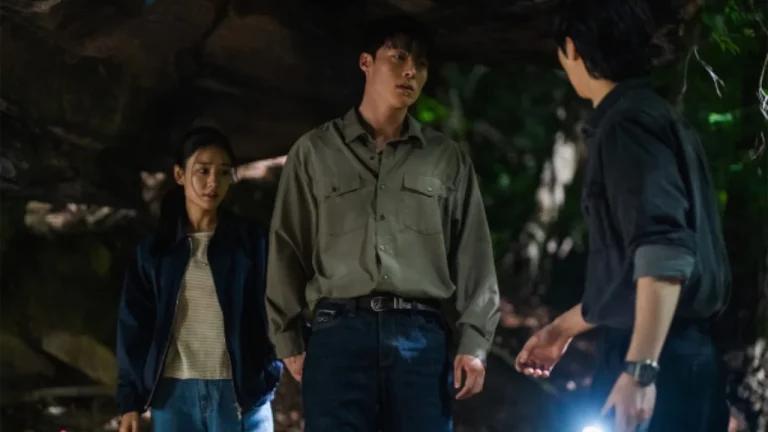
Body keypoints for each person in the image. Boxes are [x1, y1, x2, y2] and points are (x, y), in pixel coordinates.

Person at [266, 15, 500, 431]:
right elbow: (287, 245)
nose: (411, 71)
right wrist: (287, 338)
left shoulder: (446, 159)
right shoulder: (314, 152)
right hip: (337, 337)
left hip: (420, 340)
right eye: (398, 57)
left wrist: (475, 342)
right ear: (366, 63)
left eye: (421, 64)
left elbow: (474, 255)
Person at [514, 1, 732, 431]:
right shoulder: (660, 118)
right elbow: (633, 273)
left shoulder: (627, 125)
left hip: (658, 359)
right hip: (682, 356)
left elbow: (663, 250)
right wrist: (563, 329)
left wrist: (640, 370)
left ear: (571, 49)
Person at [115, 127, 282, 432]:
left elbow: (278, 305)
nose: (213, 181)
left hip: (240, 394)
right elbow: (134, 327)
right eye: (203, 170)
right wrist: (130, 402)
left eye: (223, 172)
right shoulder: (156, 252)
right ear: (180, 174)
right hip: (174, 398)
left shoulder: (251, 242)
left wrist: (268, 370)